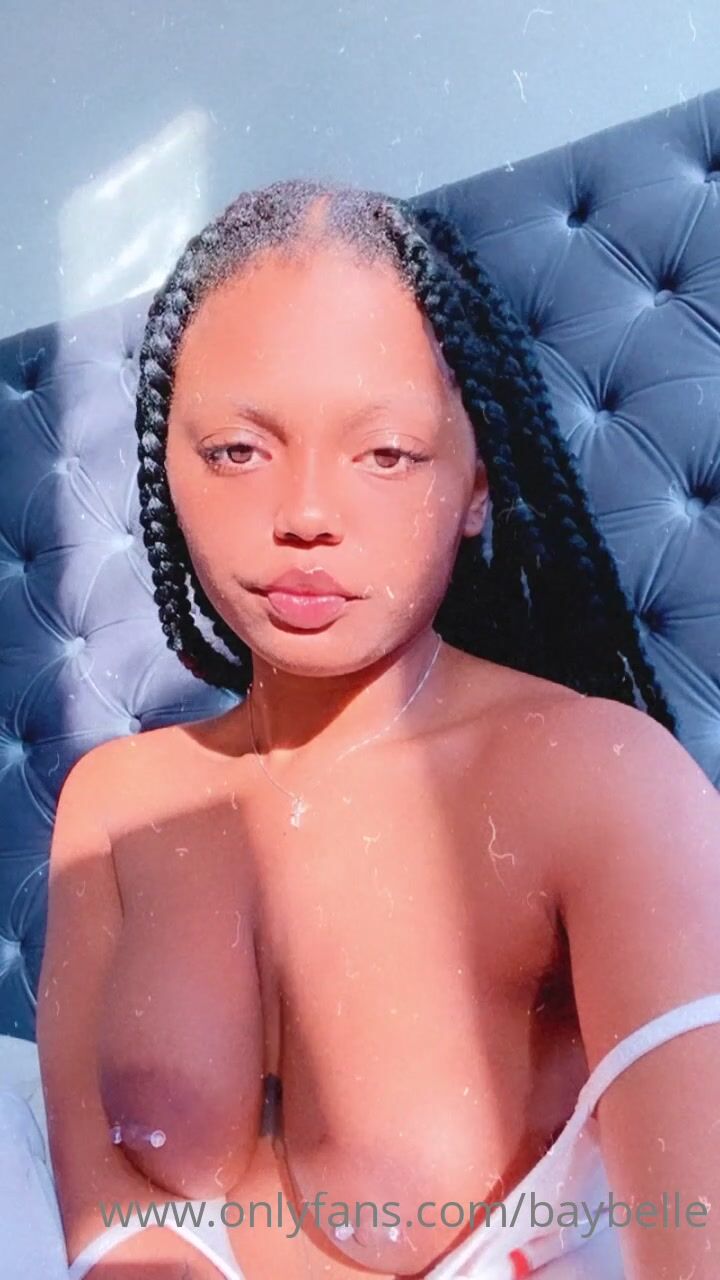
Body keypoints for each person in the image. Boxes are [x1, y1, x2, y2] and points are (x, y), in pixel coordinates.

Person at [24, 178, 720, 1279]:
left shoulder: (599, 779)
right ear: (166, 468)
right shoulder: (114, 803)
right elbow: (111, 1222)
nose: (306, 512)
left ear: (477, 484)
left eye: (387, 452)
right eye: (237, 450)